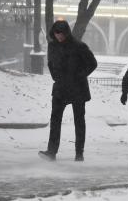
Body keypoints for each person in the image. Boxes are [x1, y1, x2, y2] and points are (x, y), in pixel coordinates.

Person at [38, 20, 97, 162]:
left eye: (61, 33)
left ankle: (79, 153)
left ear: (66, 33)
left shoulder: (79, 46)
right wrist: (55, 76)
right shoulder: (52, 46)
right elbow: (51, 62)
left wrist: (79, 75)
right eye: (56, 33)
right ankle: (51, 151)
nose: (59, 36)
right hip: (60, 88)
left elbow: (92, 63)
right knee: (55, 119)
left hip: (78, 88)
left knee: (79, 121)